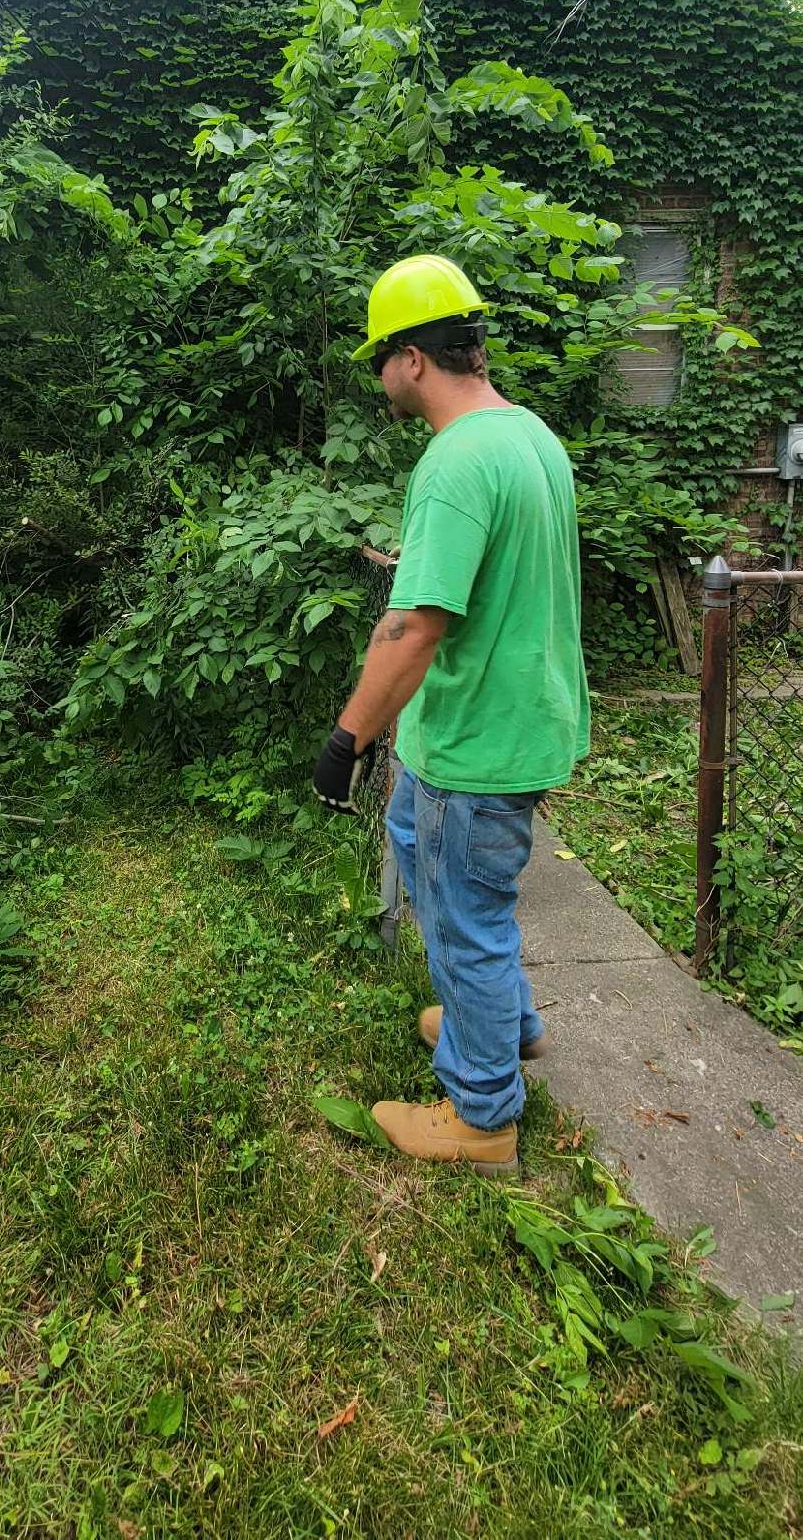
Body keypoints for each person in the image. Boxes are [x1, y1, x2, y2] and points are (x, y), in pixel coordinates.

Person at [312, 254, 589, 1176]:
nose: (379, 376)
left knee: (466, 915)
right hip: (520, 724)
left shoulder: (455, 463)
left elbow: (414, 626)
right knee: (426, 856)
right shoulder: (530, 436)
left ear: (414, 359)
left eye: (380, 358)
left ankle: (482, 1114)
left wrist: (347, 739)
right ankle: (501, 1019)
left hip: (474, 742)